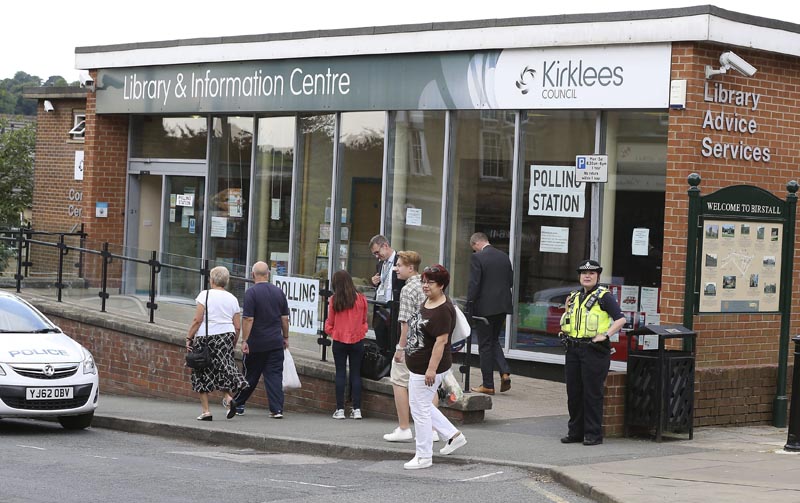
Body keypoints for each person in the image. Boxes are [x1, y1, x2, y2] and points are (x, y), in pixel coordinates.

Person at [403, 264, 467, 469]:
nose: (425, 285)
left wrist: (431, 369)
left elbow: (441, 342)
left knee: (419, 409)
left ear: (441, 285)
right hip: (419, 366)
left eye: (430, 282)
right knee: (422, 406)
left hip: (427, 369)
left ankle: (424, 456)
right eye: (423, 281)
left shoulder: (443, 310)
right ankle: (452, 435)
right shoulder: (429, 301)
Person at [559, 259, 626, 446]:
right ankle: (575, 432)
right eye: (584, 273)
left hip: (594, 350)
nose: (587, 276)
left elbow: (620, 320)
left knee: (592, 393)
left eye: (592, 273)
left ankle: (593, 434)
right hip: (573, 348)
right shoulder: (573, 296)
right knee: (574, 392)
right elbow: (570, 319)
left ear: (597, 276)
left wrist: (605, 335)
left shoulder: (604, 296)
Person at [383, 250, 439, 442]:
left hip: (413, 345)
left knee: (398, 381)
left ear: (410, 268)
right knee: (429, 387)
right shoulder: (428, 286)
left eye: (399, 265)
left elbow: (405, 322)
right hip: (431, 343)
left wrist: (400, 349)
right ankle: (432, 429)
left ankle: (404, 427)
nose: (396, 269)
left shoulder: (407, 289)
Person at [227, 261, 290, 420]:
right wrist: (285, 337)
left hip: (256, 343)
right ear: (268, 274)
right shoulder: (279, 292)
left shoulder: (251, 293)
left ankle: (238, 404)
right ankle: (277, 410)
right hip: (275, 342)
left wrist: (245, 341)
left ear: (253, 275)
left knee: (250, 376)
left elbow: (248, 319)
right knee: (274, 376)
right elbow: (284, 319)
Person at [186, 266, 248, 421]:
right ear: (226, 282)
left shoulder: (204, 295)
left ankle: (206, 411)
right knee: (223, 369)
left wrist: (189, 337)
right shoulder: (233, 298)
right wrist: (233, 342)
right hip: (226, 336)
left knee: (201, 371)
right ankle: (228, 398)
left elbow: (197, 320)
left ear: (212, 280)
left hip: (206, 338)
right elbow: (238, 325)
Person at [467, 232, 513, 395]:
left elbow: (474, 284)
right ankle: (505, 371)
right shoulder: (503, 256)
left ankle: (488, 384)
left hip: (485, 309)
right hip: (502, 305)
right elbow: (511, 280)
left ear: (476, 244)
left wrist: (469, 305)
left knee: (485, 345)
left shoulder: (477, 258)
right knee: (493, 340)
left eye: (474, 248)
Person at [325, 270, 368, 420]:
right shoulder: (361, 299)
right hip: (357, 341)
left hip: (339, 340)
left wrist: (333, 331)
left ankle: (340, 409)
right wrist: (361, 331)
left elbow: (329, 323)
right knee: (356, 374)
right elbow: (364, 321)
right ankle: (357, 409)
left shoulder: (334, 300)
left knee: (341, 373)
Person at [369, 235, 405, 352]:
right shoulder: (380, 264)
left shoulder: (400, 260)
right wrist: (374, 282)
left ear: (385, 246)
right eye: (374, 254)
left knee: (393, 341)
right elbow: (381, 282)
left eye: (377, 252)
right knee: (381, 341)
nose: (376, 256)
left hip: (394, 308)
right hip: (380, 307)